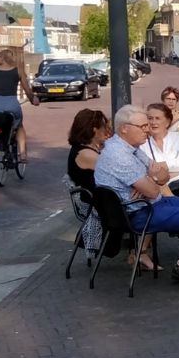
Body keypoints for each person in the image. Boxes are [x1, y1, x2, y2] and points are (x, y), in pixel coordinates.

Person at [95, 104, 179, 285]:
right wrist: (150, 181)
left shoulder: (130, 148)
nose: (147, 130)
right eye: (143, 126)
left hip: (152, 203)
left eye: (147, 125)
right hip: (140, 214)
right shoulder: (119, 155)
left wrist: (148, 180)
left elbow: (162, 177)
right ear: (124, 128)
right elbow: (156, 187)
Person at [66, 109, 111, 263]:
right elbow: (113, 171)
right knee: (141, 207)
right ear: (94, 130)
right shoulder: (86, 154)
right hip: (93, 203)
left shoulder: (87, 149)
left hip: (96, 198)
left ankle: (138, 252)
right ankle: (139, 253)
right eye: (104, 127)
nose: (107, 131)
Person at [0, 48, 36, 161]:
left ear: (2, 58)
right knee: (19, 126)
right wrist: (33, 100)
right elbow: (27, 90)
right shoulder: (18, 71)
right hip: (11, 104)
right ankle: (22, 154)